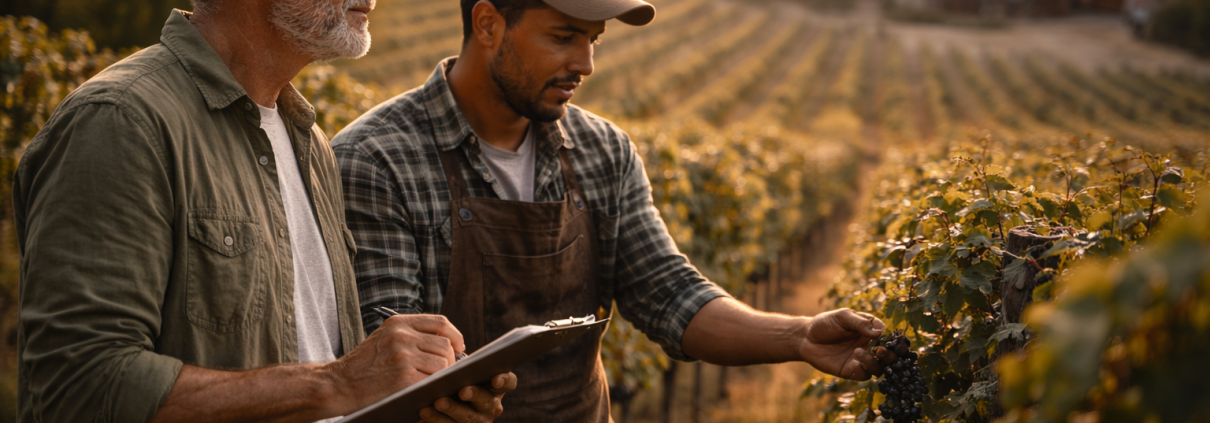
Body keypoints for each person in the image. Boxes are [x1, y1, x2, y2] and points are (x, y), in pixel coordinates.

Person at [332, 0, 899, 420]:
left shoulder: (603, 150)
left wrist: (799, 336)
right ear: (488, 24)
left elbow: (669, 293)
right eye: (563, 37)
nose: (585, 63)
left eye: (594, 41)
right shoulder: (378, 159)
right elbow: (384, 350)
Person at [14, 1, 516, 422]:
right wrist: (339, 382)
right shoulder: (121, 122)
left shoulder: (311, 143)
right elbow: (77, 386)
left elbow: (314, 364)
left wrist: (415, 394)